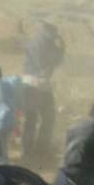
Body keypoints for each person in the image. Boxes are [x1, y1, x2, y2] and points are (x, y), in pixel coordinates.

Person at [21, 22, 64, 162]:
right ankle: (36, 149)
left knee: (36, 117)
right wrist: (60, 49)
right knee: (42, 117)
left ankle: (32, 150)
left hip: (36, 82)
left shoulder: (42, 41)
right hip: (36, 82)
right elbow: (46, 63)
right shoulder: (42, 42)